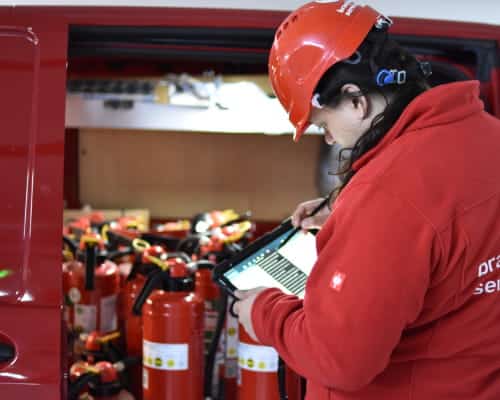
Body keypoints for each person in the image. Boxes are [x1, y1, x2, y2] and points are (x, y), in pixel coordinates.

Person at [233, 1, 500, 399]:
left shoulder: (389, 193)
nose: (329, 138)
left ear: (356, 100)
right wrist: (349, 215)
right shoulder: (487, 135)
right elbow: (448, 230)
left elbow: (337, 359)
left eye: (323, 124)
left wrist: (262, 312)